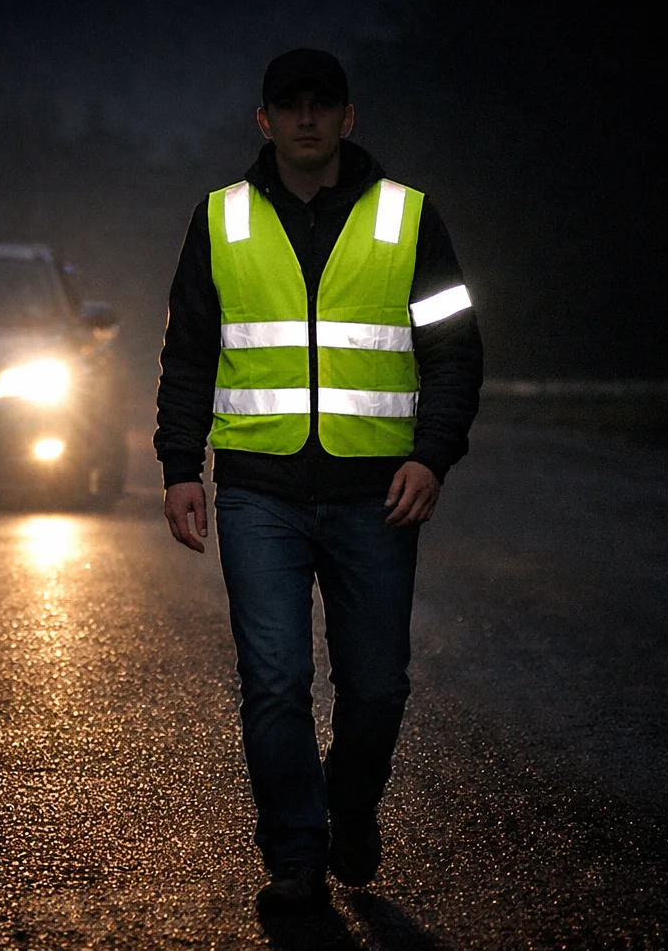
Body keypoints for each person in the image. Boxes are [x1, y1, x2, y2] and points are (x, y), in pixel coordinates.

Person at [154, 49, 482, 913]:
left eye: (322, 104)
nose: (306, 119)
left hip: (377, 495)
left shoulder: (408, 217)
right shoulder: (220, 219)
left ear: (348, 116)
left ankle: (351, 806)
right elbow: (188, 353)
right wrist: (180, 467)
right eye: (289, 105)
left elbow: (454, 353)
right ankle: (296, 859)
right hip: (257, 490)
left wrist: (430, 456)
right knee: (274, 680)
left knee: (376, 686)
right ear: (264, 119)